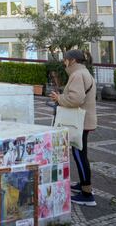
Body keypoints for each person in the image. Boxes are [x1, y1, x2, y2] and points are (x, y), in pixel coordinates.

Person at [50, 49, 97, 207]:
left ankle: (87, 194)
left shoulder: (77, 75)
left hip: (80, 122)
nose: (64, 62)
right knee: (81, 154)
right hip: (84, 120)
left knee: (79, 154)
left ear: (72, 61)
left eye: (65, 59)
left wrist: (59, 98)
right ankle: (84, 185)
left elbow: (75, 99)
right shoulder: (85, 73)